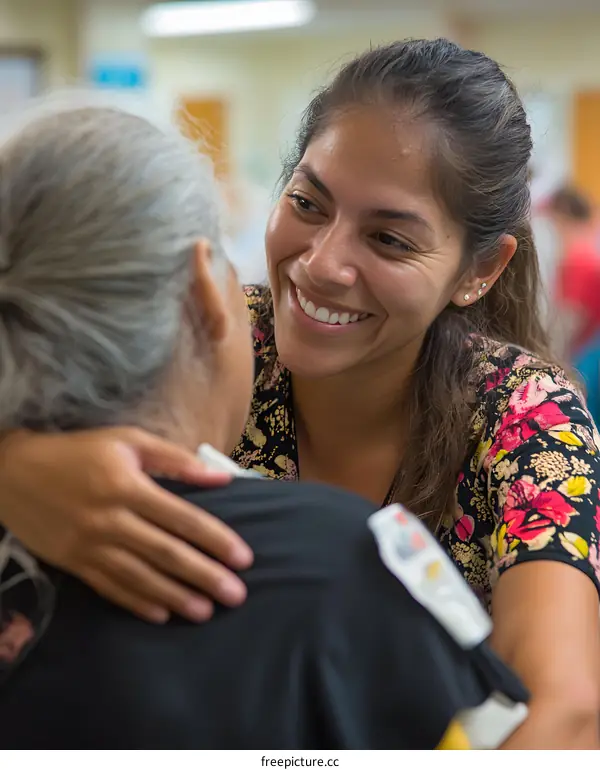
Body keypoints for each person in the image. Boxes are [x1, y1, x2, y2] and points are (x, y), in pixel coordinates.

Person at [0, 40, 599, 748]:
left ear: (480, 270)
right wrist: (18, 464)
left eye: (388, 239)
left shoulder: (525, 414)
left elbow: (562, 710)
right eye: (308, 202)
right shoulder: (210, 340)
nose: (320, 265)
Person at [541, 185, 600, 359]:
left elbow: (569, 320)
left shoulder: (577, 260)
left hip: (582, 357)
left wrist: (549, 358)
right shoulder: (589, 254)